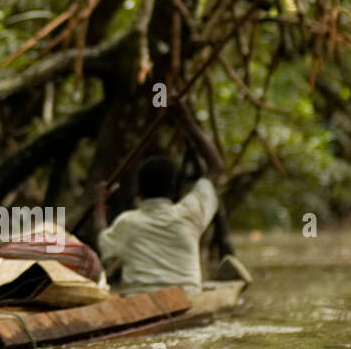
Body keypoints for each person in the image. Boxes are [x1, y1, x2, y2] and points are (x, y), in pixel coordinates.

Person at [94, 109, 247, 293]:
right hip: (188, 298)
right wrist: (186, 119)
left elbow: (102, 242)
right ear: (173, 190)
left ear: (139, 191)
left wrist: (100, 203)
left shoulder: (127, 223)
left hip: (142, 300)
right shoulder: (190, 213)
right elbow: (215, 166)